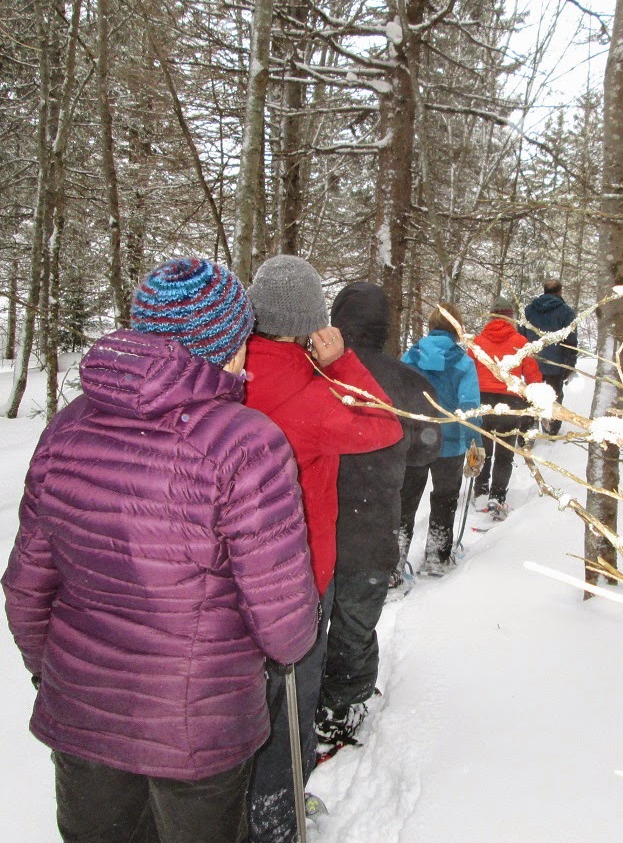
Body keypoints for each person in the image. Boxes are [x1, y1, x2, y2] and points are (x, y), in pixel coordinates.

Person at [2, 257, 319, 843]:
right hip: (196, 724)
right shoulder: (246, 443)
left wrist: (51, 670)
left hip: (82, 712)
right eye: (241, 339)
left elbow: (26, 584)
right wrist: (292, 647)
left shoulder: (68, 427)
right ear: (222, 345)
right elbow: (284, 622)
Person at [242, 256, 404, 843]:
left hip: (225, 573)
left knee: (236, 700)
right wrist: (342, 361)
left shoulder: (223, 371)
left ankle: (233, 805)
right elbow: (383, 425)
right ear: (312, 322)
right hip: (298, 572)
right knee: (289, 702)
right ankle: (277, 815)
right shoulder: (311, 393)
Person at [316, 282, 441, 747]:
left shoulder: (313, 371)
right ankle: (340, 706)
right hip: (370, 524)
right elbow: (428, 449)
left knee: (309, 621)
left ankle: (318, 699)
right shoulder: (408, 381)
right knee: (354, 620)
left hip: (310, 524)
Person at [398, 302, 483, 574]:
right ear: (457, 330)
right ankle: (437, 557)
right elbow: (469, 406)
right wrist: (475, 445)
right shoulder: (463, 362)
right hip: (451, 442)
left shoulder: (411, 356)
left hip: (414, 441)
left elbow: (397, 397)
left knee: (405, 502)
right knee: (445, 498)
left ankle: (393, 564)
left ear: (431, 327)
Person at [470, 295, 542, 521]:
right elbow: (533, 376)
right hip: (510, 404)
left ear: (491, 316)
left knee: (481, 450)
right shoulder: (521, 342)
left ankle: (480, 491)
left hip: (482, 402)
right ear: (510, 318)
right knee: (504, 454)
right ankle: (497, 497)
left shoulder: (477, 342)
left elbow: (467, 373)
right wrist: (537, 398)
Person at [523, 278, 578, 434]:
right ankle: (551, 431)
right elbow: (571, 342)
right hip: (556, 364)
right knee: (554, 397)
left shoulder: (528, 310)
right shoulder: (566, 312)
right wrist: (569, 366)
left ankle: (528, 429)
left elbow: (521, 336)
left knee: (530, 396)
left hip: (532, 363)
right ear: (560, 291)